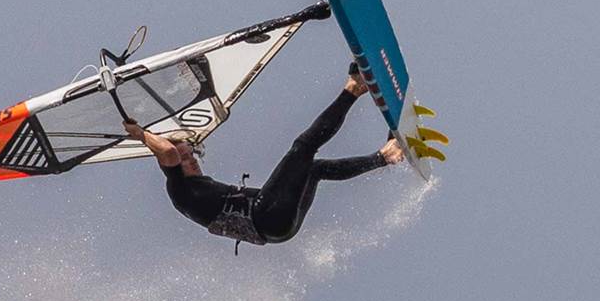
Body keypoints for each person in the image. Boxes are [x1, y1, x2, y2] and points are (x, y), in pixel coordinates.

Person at [124, 67, 404, 246]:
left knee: (314, 168)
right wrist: (141, 134)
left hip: (280, 229)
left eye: (191, 153)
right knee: (302, 147)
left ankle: (385, 156)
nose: (192, 158)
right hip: (266, 216)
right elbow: (169, 153)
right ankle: (354, 87)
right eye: (186, 159)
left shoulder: (197, 187)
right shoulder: (178, 187)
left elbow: (175, 153)